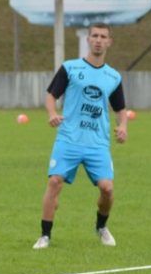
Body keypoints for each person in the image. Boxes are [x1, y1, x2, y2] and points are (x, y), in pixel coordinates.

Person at [34, 23, 128, 250]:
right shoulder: (70, 68)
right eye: (94, 35)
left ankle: (101, 227)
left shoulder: (112, 76)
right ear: (88, 39)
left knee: (107, 189)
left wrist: (123, 126)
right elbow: (50, 95)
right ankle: (45, 236)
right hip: (69, 139)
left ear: (109, 42)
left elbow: (120, 109)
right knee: (55, 182)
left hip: (97, 143)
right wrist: (52, 113)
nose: (98, 40)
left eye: (103, 36)